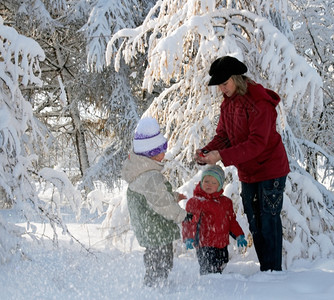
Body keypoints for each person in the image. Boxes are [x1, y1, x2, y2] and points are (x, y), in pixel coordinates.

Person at [195, 56, 290, 272]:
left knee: (268, 223)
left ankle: (273, 274)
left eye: (224, 83)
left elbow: (257, 144)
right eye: (219, 85)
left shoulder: (259, 103)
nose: (221, 89)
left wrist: (221, 156)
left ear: (237, 79)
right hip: (248, 172)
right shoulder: (228, 104)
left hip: (270, 170)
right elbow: (224, 135)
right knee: (255, 224)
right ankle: (266, 270)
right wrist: (208, 150)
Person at [122, 117, 187, 287]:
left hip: (149, 229)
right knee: (161, 263)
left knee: (155, 261)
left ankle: (154, 286)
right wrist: (183, 215)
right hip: (156, 229)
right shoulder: (151, 177)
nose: (165, 153)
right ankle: (155, 290)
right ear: (152, 153)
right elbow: (162, 204)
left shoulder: (141, 172)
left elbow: (153, 197)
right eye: (162, 149)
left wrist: (173, 197)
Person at [182, 165, 247, 275]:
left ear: (220, 185)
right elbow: (189, 222)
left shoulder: (226, 202)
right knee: (208, 270)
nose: (209, 185)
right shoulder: (196, 202)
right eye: (206, 181)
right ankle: (207, 287)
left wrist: (239, 235)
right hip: (204, 244)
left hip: (222, 244)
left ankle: (218, 287)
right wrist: (188, 237)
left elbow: (231, 221)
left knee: (221, 265)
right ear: (201, 182)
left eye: (213, 182)